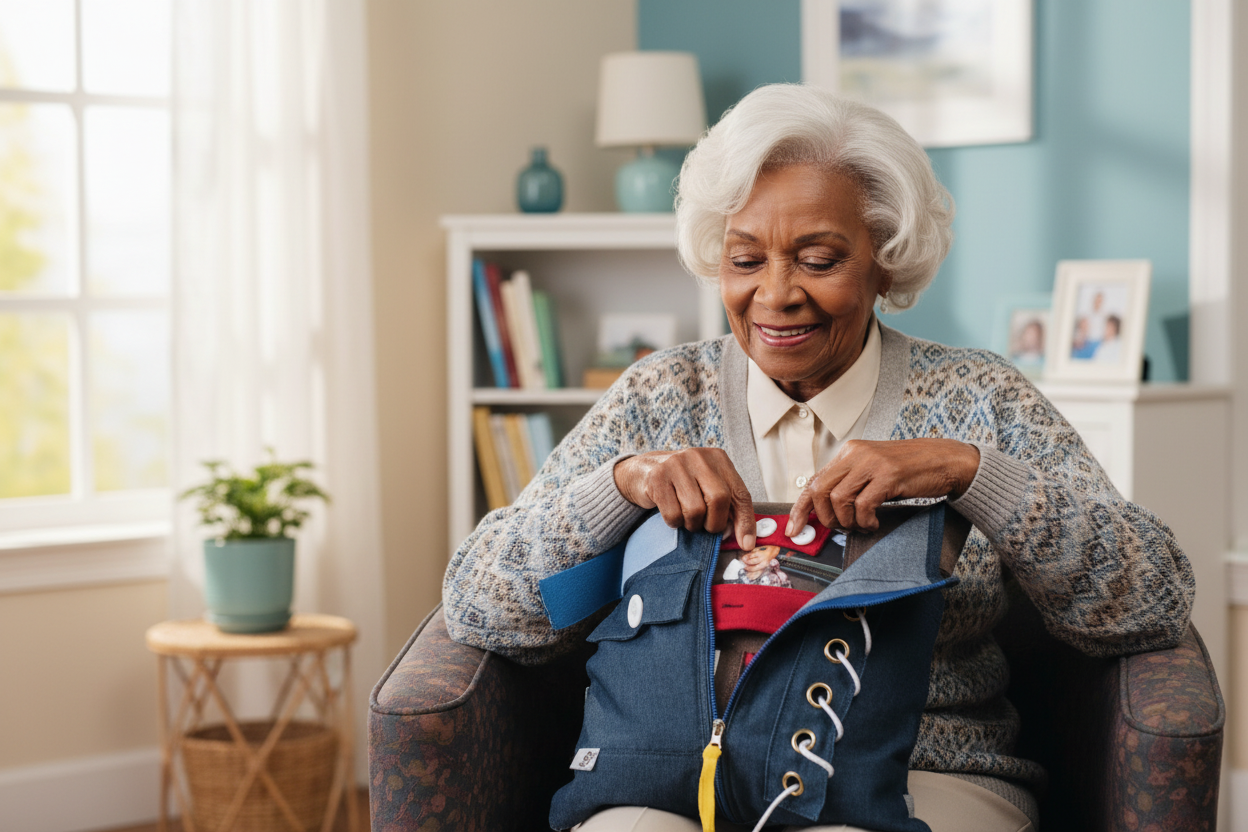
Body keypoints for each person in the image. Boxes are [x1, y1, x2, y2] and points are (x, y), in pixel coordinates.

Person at [442, 83, 1193, 832]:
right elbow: (480, 608)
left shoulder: (980, 398)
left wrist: (972, 473)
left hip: (923, 773)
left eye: (819, 259)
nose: (776, 294)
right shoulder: (658, 397)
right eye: (746, 259)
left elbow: (1150, 601)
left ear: (886, 261)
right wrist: (620, 486)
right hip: (671, 776)